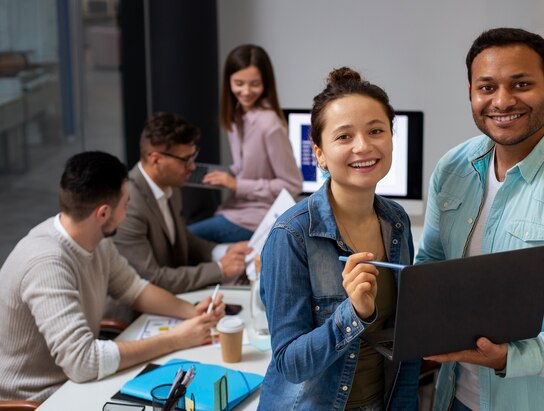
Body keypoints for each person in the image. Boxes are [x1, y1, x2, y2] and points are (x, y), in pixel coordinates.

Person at [415, 28, 544, 411]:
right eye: (487, 87)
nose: (502, 101)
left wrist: (511, 357)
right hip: (456, 397)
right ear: (471, 94)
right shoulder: (452, 169)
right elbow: (430, 263)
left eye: (521, 84)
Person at [0, 151, 226, 402]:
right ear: (103, 213)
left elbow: (134, 288)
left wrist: (192, 312)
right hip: (37, 399)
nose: (128, 211)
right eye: (126, 204)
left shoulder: (95, 239)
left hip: (76, 385)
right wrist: (176, 339)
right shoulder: (47, 263)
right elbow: (83, 362)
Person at [259, 67, 421, 410]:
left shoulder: (397, 221)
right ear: (319, 153)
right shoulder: (291, 235)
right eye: (344, 137)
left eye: (376, 130)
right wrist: (355, 314)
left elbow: (405, 340)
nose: (364, 146)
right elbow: (290, 363)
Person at [113, 112, 251, 304]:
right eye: (185, 159)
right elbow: (152, 279)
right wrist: (219, 269)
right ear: (156, 160)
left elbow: (181, 237)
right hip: (136, 314)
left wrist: (221, 251)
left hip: (173, 298)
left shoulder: (170, 185)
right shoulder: (129, 205)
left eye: (193, 156)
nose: (192, 166)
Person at [187, 44, 302, 243]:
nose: (246, 91)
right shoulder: (236, 115)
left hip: (256, 217)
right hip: (235, 208)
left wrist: (237, 184)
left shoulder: (270, 124)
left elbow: (292, 184)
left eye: (254, 84)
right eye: (239, 83)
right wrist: (226, 175)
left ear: (266, 83)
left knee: (184, 239)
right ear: (228, 82)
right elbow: (247, 168)